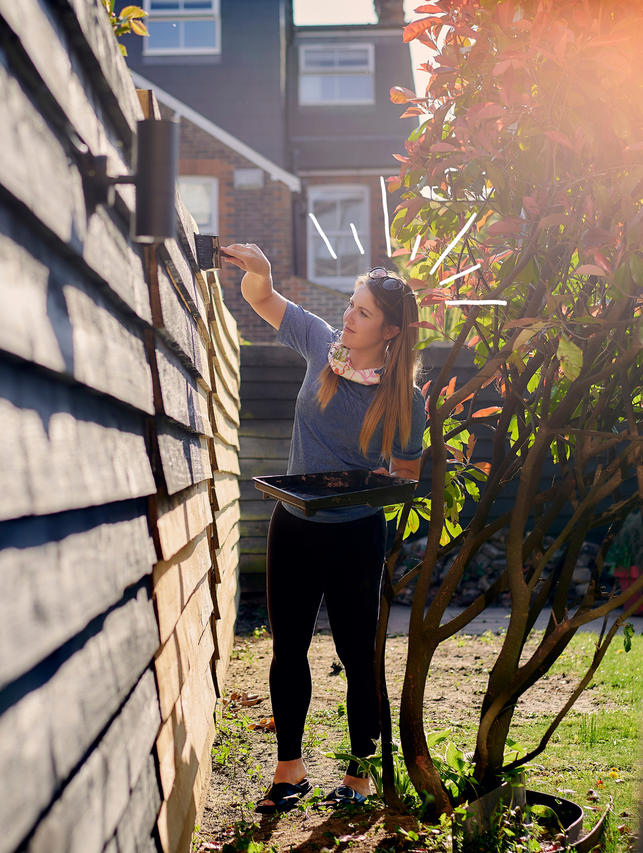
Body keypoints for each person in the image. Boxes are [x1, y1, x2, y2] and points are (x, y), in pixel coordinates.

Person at [220, 242, 426, 814]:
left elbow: (408, 471)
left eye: (362, 312)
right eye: (351, 305)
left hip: (356, 534)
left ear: (389, 331)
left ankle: (359, 776)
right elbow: (263, 299)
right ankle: (290, 767)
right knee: (288, 648)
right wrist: (259, 272)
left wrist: (379, 476)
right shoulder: (319, 345)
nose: (348, 316)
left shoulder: (404, 396)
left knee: (357, 654)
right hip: (294, 524)